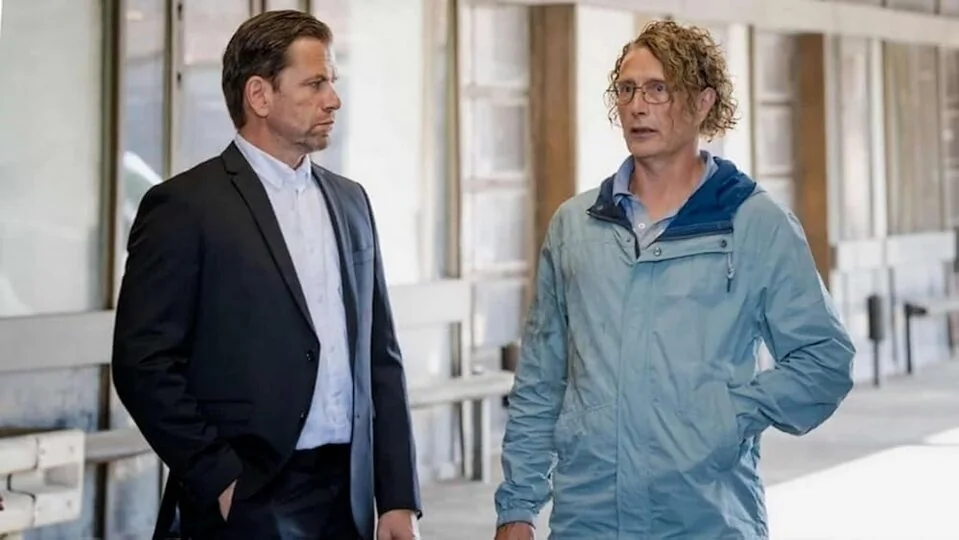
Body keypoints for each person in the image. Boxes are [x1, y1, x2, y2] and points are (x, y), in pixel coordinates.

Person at [493, 20, 855, 540]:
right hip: (590, 519)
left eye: (658, 89)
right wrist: (518, 506)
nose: (637, 106)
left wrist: (731, 414)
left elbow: (825, 358)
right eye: (626, 89)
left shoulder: (753, 223)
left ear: (703, 102)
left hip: (707, 518)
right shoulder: (576, 227)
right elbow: (540, 379)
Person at [111, 10, 421, 540]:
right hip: (247, 498)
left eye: (332, 82)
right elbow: (143, 363)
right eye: (315, 83)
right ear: (259, 95)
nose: (333, 99)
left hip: (348, 497)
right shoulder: (184, 207)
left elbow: (380, 356)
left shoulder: (352, 202)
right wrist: (219, 478)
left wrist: (396, 498)